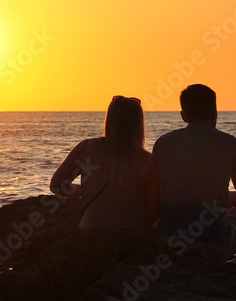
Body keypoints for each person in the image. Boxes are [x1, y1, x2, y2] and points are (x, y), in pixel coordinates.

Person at [152, 84, 236, 264]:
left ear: (183, 115)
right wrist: (220, 200)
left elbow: (154, 202)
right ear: (215, 112)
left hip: (167, 246)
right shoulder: (229, 143)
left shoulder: (162, 143)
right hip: (213, 248)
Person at [50, 96, 160, 230]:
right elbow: (153, 212)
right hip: (134, 236)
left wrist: (86, 189)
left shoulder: (86, 148)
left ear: (110, 120)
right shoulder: (148, 161)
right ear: (138, 124)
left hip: (92, 232)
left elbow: (57, 185)